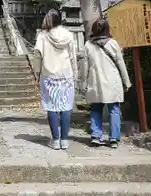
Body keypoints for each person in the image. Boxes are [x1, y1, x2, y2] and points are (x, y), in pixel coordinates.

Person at [80, 17, 131, 148]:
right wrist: (126, 81)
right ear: (107, 29)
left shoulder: (88, 45)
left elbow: (84, 67)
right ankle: (114, 139)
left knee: (96, 109)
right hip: (112, 82)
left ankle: (96, 136)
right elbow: (121, 64)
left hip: (96, 82)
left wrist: (82, 83)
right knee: (114, 110)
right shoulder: (113, 44)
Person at [35, 9, 78, 150]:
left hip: (49, 76)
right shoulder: (69, 35)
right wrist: (75, 73)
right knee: (65, 107)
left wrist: (37, 73)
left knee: (51, 107)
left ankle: (55, 139)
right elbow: (73, 56)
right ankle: (64, 140)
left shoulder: (42, 36)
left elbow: (37, 56)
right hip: (66, 75)